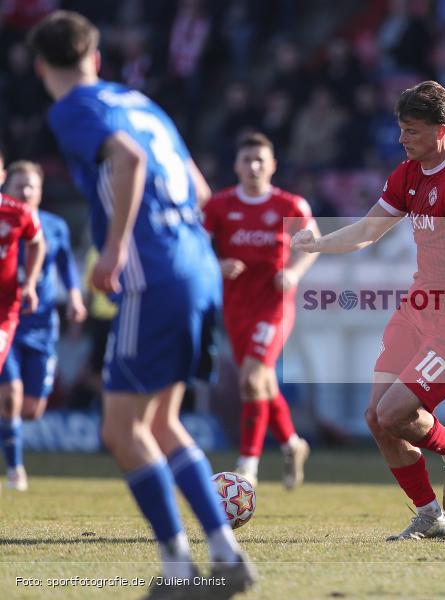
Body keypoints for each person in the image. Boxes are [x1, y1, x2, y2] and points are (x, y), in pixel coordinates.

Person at [28, 11, 256, 592]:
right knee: (160, 421)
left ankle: (180, 569)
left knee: (120, 429)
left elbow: (126, 160)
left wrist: (113, 248)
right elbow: (200, 188)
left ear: (40, 67)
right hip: (194, 264)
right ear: (96, 57)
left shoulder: (74, 107)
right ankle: (225, 558)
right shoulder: (139, 102)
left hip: (152, 274)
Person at [293, 80, 445, 541]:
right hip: (418, 305)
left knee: (393, 414)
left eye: (412, 131)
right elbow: (368, 231)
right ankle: (429, 515)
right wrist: (318, 244)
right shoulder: (407, 174)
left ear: (441, 130)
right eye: (401, 129)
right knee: (376, 417)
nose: (402, 140)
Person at [203, 132, 318, 489]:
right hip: (236, 308)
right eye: (247, 160)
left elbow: (312, 243)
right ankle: (293, 444)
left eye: (260, 160)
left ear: (272, 166)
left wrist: (294, 273)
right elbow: (195, 248)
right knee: (262, 382)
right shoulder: (218, 206)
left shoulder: (289, 205)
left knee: (252, 377)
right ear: (236, 165)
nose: (253, 166)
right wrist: (217, 264)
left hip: (274, 305)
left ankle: (247, 464)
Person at [0, 161, 87, 491]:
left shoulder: (53, 226)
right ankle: (15, 470)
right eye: (19, 185)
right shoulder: (6, 215)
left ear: (40, 190)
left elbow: (66, 265)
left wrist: (76, 298)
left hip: (42, 322)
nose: (24, 192)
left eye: (31, 186)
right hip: (9, 316)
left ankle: (10, 434)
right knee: (10, 394)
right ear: (6, 185)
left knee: (32, 410)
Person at [0, 152, 47, 499]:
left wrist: (29, 283)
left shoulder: (17, 212)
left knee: (20, 401)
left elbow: (36, 242)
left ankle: (15, 466)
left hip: (5, 311)